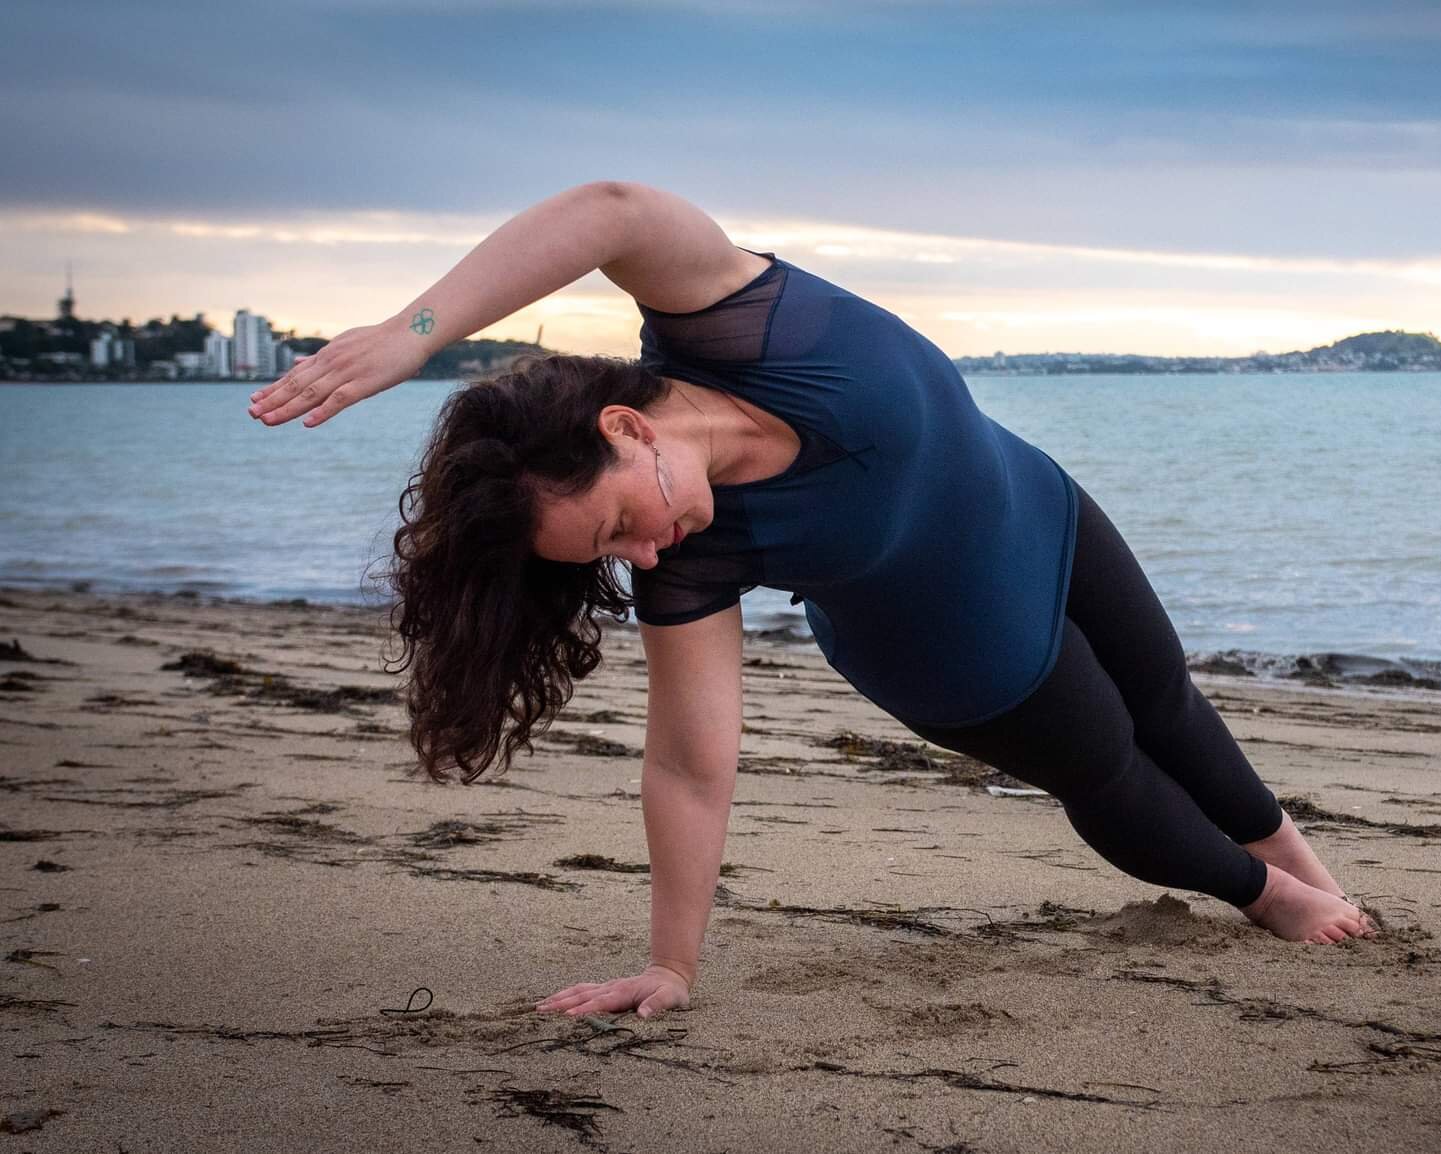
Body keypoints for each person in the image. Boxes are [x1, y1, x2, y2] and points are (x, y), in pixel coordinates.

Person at [248, 181, 1374, 1020]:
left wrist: (411, 336)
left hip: (1037, 502)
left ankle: (1309, 872)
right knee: (1110, 761)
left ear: (626, 427)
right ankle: (1260, 895)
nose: (640, 557)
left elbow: (608, 208)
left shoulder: (733, 319)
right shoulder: (692, 562)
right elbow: (692, 763)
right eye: (615, 556)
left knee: (1168, 702)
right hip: (955, 648)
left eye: (616, 526)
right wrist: (670, 965)